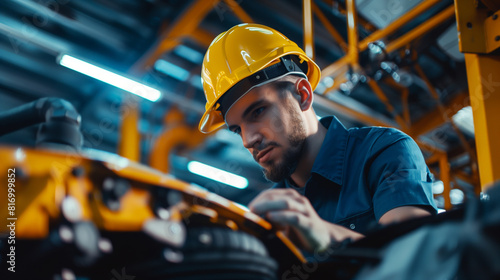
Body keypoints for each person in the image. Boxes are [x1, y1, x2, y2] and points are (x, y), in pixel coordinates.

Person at [198, 23, 437, 253]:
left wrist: (327, 236)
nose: (248, 140)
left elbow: (417, 256)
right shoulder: (273, 212)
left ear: (302, 95)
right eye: (237, 129)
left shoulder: (384, 152)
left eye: (258, 111)